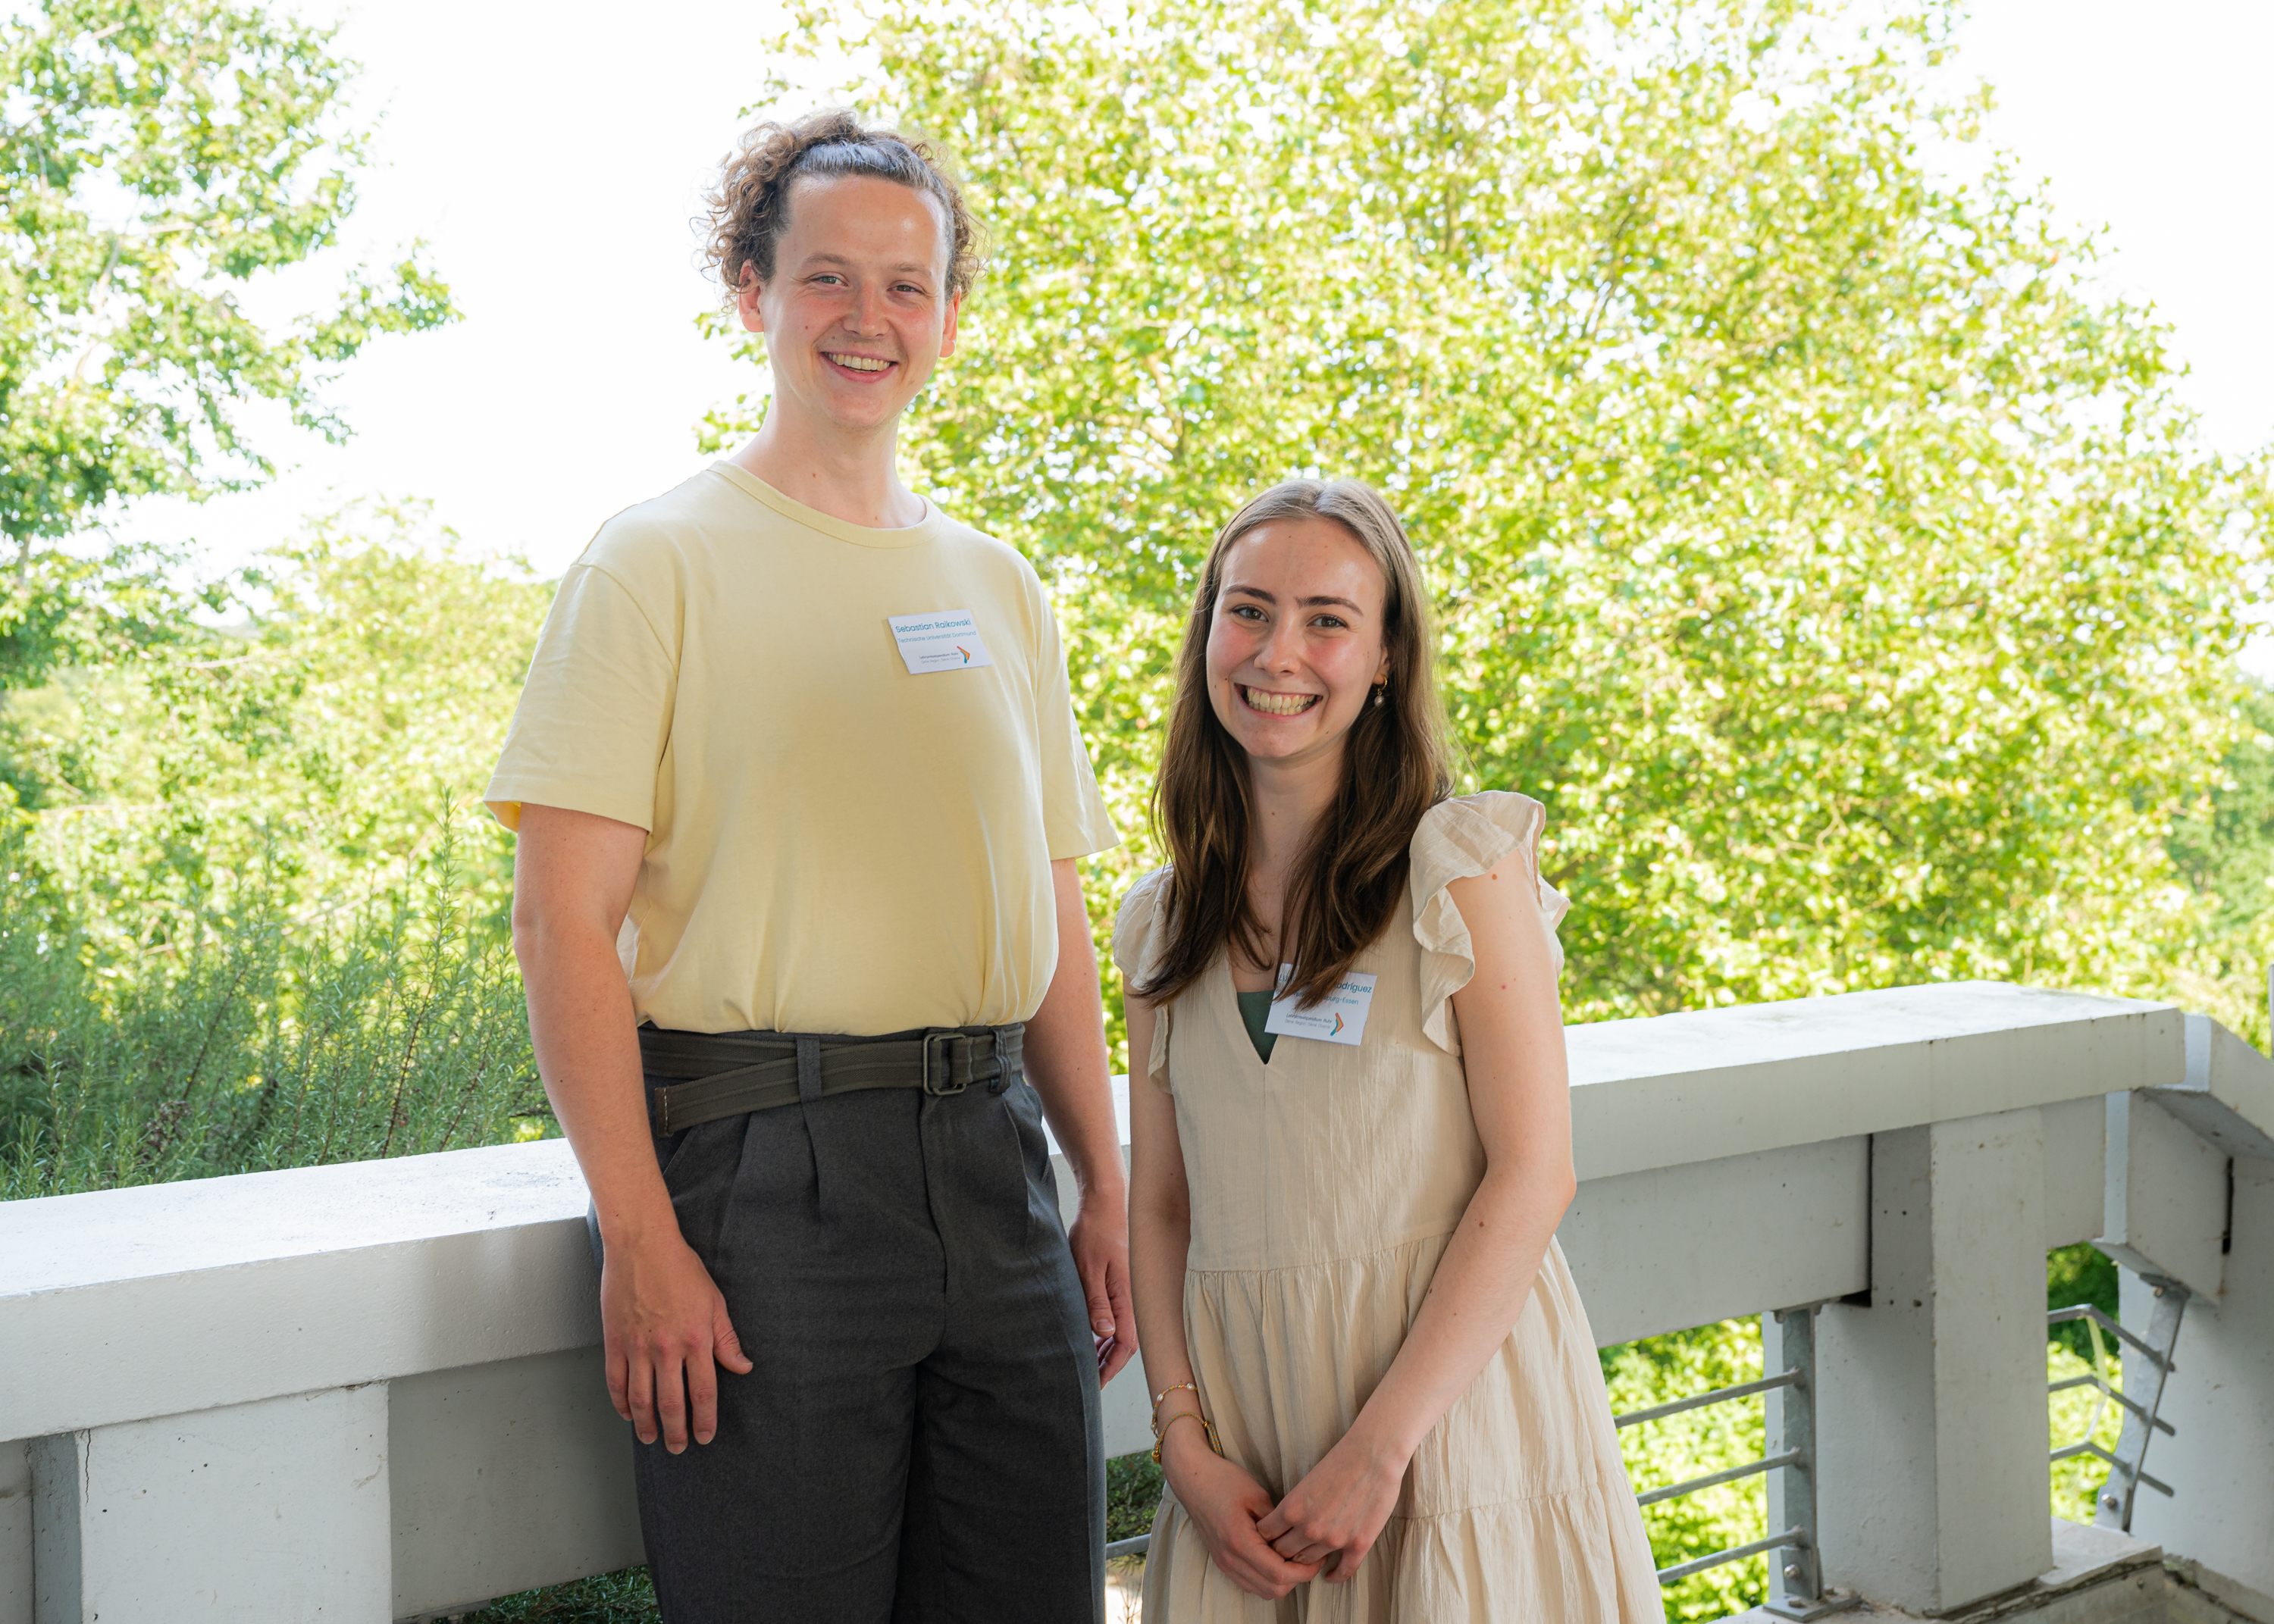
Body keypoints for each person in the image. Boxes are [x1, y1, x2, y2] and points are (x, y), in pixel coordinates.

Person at [487, 111, 1133, 1622]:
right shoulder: (655, 562)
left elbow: (1049, 911)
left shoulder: (1001, 587)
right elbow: (559, 925)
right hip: (759, 1179)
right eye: (829, 278)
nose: (870, 319)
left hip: (995, 1164)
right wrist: (638, 1237)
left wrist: (1102, 1176)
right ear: (751, 293)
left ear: (953, 320)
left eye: (909, 287)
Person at [1115, 480, 1660, 1620]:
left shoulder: (1457, 868)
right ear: (1208, 631)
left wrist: (1381, 1450)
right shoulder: (1162, 926)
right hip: (1244, 1468)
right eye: (1249, 609)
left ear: (1386, 661)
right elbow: (1160, 1205)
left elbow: (1534, 1171)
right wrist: (1182, 1445)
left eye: (1328, 619)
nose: (1279, 653)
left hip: (1449, 1437)